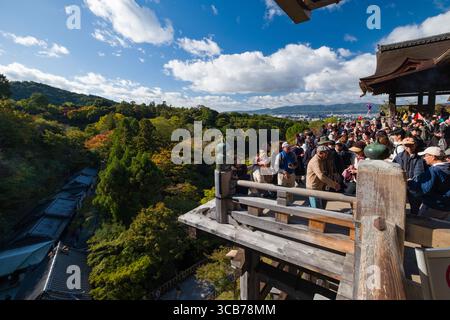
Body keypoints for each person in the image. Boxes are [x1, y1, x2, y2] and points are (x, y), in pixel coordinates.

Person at [408, 147, 450, 220]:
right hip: (446, 207)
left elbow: (424, 189)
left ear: (433, 157)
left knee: (422, 227)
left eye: (426, 155)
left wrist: (410, 183)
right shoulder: (447, 168)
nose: (424, 158)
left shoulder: (433, 170)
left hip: (433, 206)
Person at [393, 137, 426, 215]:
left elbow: (419, 173)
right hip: (400, 184)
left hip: (413, 185)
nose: (409, 147)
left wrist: (410, 180)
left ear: (415, 145)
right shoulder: (399, 156)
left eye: (411, 145)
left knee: (415, 206)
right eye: (406, 145)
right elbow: (394, 167)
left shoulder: (419, 158)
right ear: (404, 146)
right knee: (399, 205)